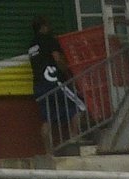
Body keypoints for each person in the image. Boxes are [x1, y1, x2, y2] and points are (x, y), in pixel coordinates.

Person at [28, 16, 87, 153]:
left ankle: (48, 151)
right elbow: (57, 58)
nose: (50, 27)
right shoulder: (49, 40)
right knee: (80, 105)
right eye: (48, 25)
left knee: (46, 118)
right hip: (54, 82)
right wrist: (67, 72)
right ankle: (74, 139)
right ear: (43, 26)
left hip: (39, 86)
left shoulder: (32, 45)